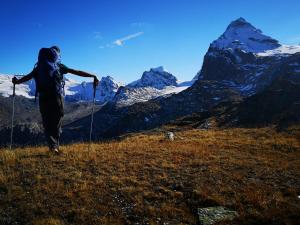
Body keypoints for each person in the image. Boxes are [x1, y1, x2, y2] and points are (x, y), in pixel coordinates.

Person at [12, 46, 99, 154]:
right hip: (56, 97)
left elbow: (27, 77)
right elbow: (76, 71)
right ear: (57, 55)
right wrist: (92, 75)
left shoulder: (39, 67)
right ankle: (55, 147)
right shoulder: (59, 66)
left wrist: (16, 82)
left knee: (47, 122)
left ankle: (53, 147)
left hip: (43, 98)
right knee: (56, 122)